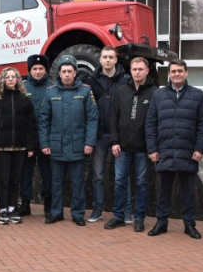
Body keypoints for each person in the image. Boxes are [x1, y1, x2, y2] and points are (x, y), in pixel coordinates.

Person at [145, 59, 203, 240]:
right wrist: (152, 149)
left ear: (186, 73)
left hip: (188, 151)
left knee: (189, 192)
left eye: (180, 71)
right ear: (169, 74)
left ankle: (189, 224)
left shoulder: (197, 95)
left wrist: (200, 149)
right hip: (164, 151)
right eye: (173, 71)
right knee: (163, 190)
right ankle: (161, 223)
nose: (176, 74)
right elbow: (150, 124)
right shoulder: (159, 95)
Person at [39, 55, 98, 226]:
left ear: (75, 73)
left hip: (78, 146)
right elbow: (44, 120)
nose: (66, 74)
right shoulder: (50, 92)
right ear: (59, 73)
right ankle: (56, 213)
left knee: (78, 183)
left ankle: (78, 214)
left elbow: (92, 119)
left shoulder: (85, 91)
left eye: (69, 71)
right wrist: (44, 143)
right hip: (56, 146)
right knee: (56, 183)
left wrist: (89, 143)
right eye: (63, 71)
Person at [105, 57, 157, 232]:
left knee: (142, 183)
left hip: (143, 148)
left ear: (147, 70)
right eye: (134, 69)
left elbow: (155, 121)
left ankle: (139, 218)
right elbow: (113, 117)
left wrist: (153, 147)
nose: (137, 72)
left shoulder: (154, 92)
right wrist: (114, 141)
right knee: (120, 181)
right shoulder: (121, 90)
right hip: (122, 146)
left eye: (140, 69)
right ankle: (119, 216)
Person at [0, 67, 37, 225]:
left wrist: (30, 146)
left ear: (17, 80)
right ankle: (2, 210)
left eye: (13, 77)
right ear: (2, 79)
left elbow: (31, 125)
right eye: (7, 77)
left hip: (20, 147)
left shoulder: (24, 99)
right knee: (3, 180)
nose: (10, 79)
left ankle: (12, 208)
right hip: (1, 148)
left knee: (15, 180)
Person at [84, 46, 129, 223]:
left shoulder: (125, 80)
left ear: (116, 60)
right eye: (105, 57)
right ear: (100, 59)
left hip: (119, 135)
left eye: (111, 57)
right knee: (98, 175)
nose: (108, 60)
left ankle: (125, 211)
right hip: (99, 134)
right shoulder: (91, 80)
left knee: (122, 176)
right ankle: (97, 208)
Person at [20, 54, 54, 218]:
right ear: (30, 70)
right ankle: (25, 203)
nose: (38, 71)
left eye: (41, 68)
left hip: (48, 139)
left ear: (46, 70)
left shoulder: (53, 88)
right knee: (25, 173)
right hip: (28, 140)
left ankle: (48, 204)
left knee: (48, 173)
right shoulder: (23, 88)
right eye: (35, 69)